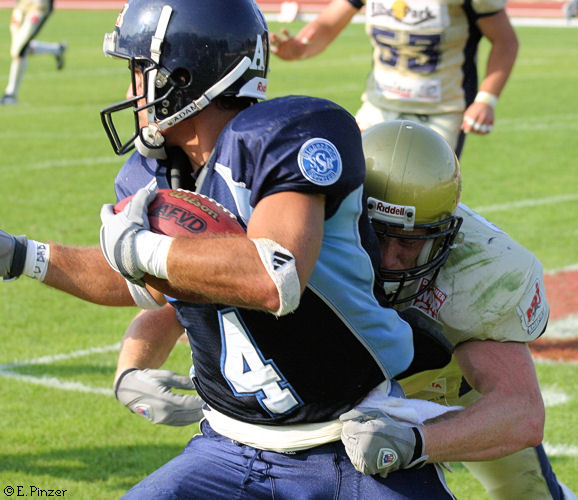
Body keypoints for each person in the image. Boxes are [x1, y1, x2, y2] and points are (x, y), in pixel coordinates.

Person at [0, 0, 456, 498]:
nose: (131, 91)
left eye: (138, 71)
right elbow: (142, 281)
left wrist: (142, 249)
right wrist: (21, 255)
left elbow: (274, 275)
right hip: (229, 445)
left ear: (182, 76)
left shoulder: (288, 134)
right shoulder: (152, 173)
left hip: (352, 441)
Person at [339, 120, 576, 500]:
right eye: (376, 233)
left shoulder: (483, 271)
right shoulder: (316, 224)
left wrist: (417, 441)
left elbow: (522, 411)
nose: (389, 259)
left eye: (408, 241)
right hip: (346, 376)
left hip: (448, 382)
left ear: (444, 234)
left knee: (527, 492)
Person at [269, 0, 518, 158]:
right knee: (352, 190)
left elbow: (505, 40)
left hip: (440, 114)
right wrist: (300, 48)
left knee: (421, 203)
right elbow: (328, 24)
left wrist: (486, 99)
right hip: (379, 106)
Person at [1, 0, 66, 105]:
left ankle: (11, 94)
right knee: (18, 45)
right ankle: (57, 50)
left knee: (19, 49)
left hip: (39, 6)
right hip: (22, 5)